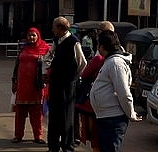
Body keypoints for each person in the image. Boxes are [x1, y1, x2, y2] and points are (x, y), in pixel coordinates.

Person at [89, 29, 142, 152]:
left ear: (102, 46)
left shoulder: (115, 63)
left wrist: (131, 113)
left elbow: (124, 93)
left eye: (98, 45)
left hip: (113, 118)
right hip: (106, 117)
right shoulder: (110, 61)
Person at [42, 16, 87, 152]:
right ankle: (53, 145)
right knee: (54, 115)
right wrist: (47, 70)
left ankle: (68, 145)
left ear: (61, 28)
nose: (52, 30)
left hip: (68, 85)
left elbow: (82, 63)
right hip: (55, 83)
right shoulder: (57, 40)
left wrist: (73, 77)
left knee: (66, 116)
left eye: (54, 27)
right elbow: (48, 56)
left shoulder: (74, 42)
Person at [75, 21, 112, 152]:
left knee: (95, 134)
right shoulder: (121, 57)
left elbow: (85, 74)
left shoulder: (100, 58)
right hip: (111, 105)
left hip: (95, 103)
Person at [11, 27, 50, 144]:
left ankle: (38, 136)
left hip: (36, 86)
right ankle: (18, 135)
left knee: (37, 113)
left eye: (34, 35)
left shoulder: (45, 49)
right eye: (29, 35)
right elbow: (16, 66)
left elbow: (48, 66)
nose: (31, 38)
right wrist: (14, 81)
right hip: (22, 86)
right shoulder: (23, 48)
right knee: (20, 113)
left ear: (38, 36)